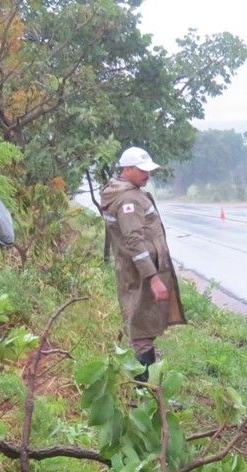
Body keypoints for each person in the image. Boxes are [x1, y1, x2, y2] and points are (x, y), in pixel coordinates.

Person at [100, 146, 185, 376]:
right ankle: (145, 397)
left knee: (144, 329)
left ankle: (151, 391)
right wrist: (153, 278)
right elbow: (134, 241)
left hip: (136, 272)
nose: (148, 175)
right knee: (141, 333)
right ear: (127, 169)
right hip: (140, 275)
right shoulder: (129, 199)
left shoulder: (123, 192)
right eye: (142, 171)